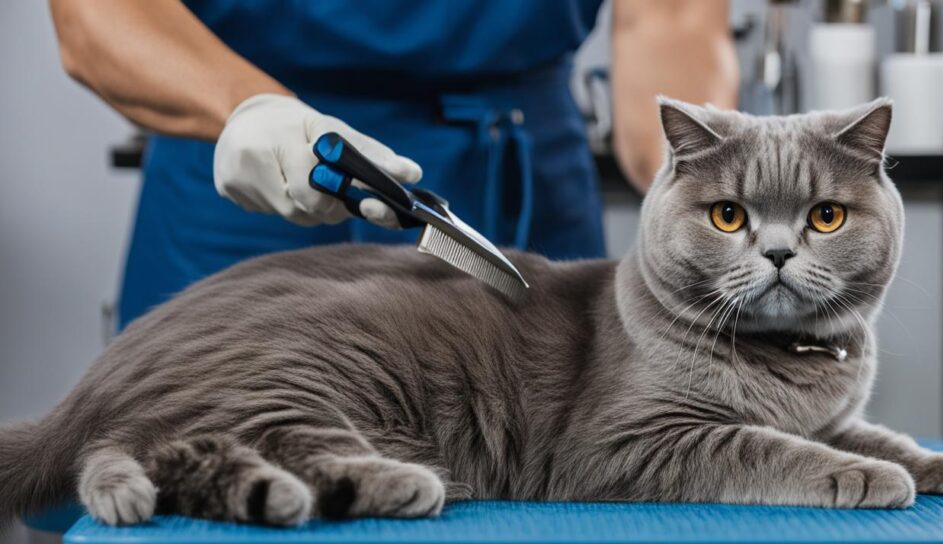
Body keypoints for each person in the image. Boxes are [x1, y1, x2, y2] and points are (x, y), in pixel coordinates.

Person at [50, 0, 738, 328]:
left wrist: (716, 212)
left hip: (514, 191)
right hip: (242, 187)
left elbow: (670, 19)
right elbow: (98, 13)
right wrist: (251, 110)